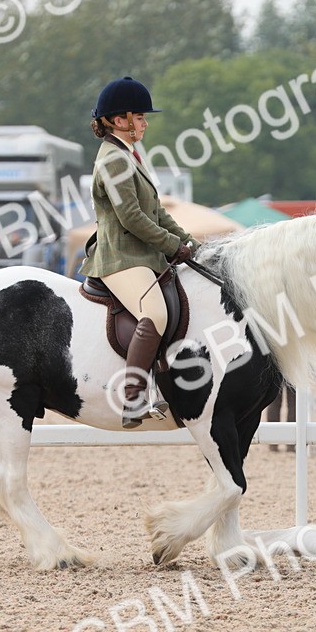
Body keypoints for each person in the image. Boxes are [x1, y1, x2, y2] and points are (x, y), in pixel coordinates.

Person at [80, 76, 199, 427]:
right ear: (119, 120)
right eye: (141, 117)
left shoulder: (129, 155)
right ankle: (132, 399)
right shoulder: (113, 160)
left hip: (143, 256)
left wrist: (186, 241)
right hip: (121, 257)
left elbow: (157, 211)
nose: (146, 123)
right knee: (156, 314)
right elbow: (131, 218)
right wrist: (171, 245)